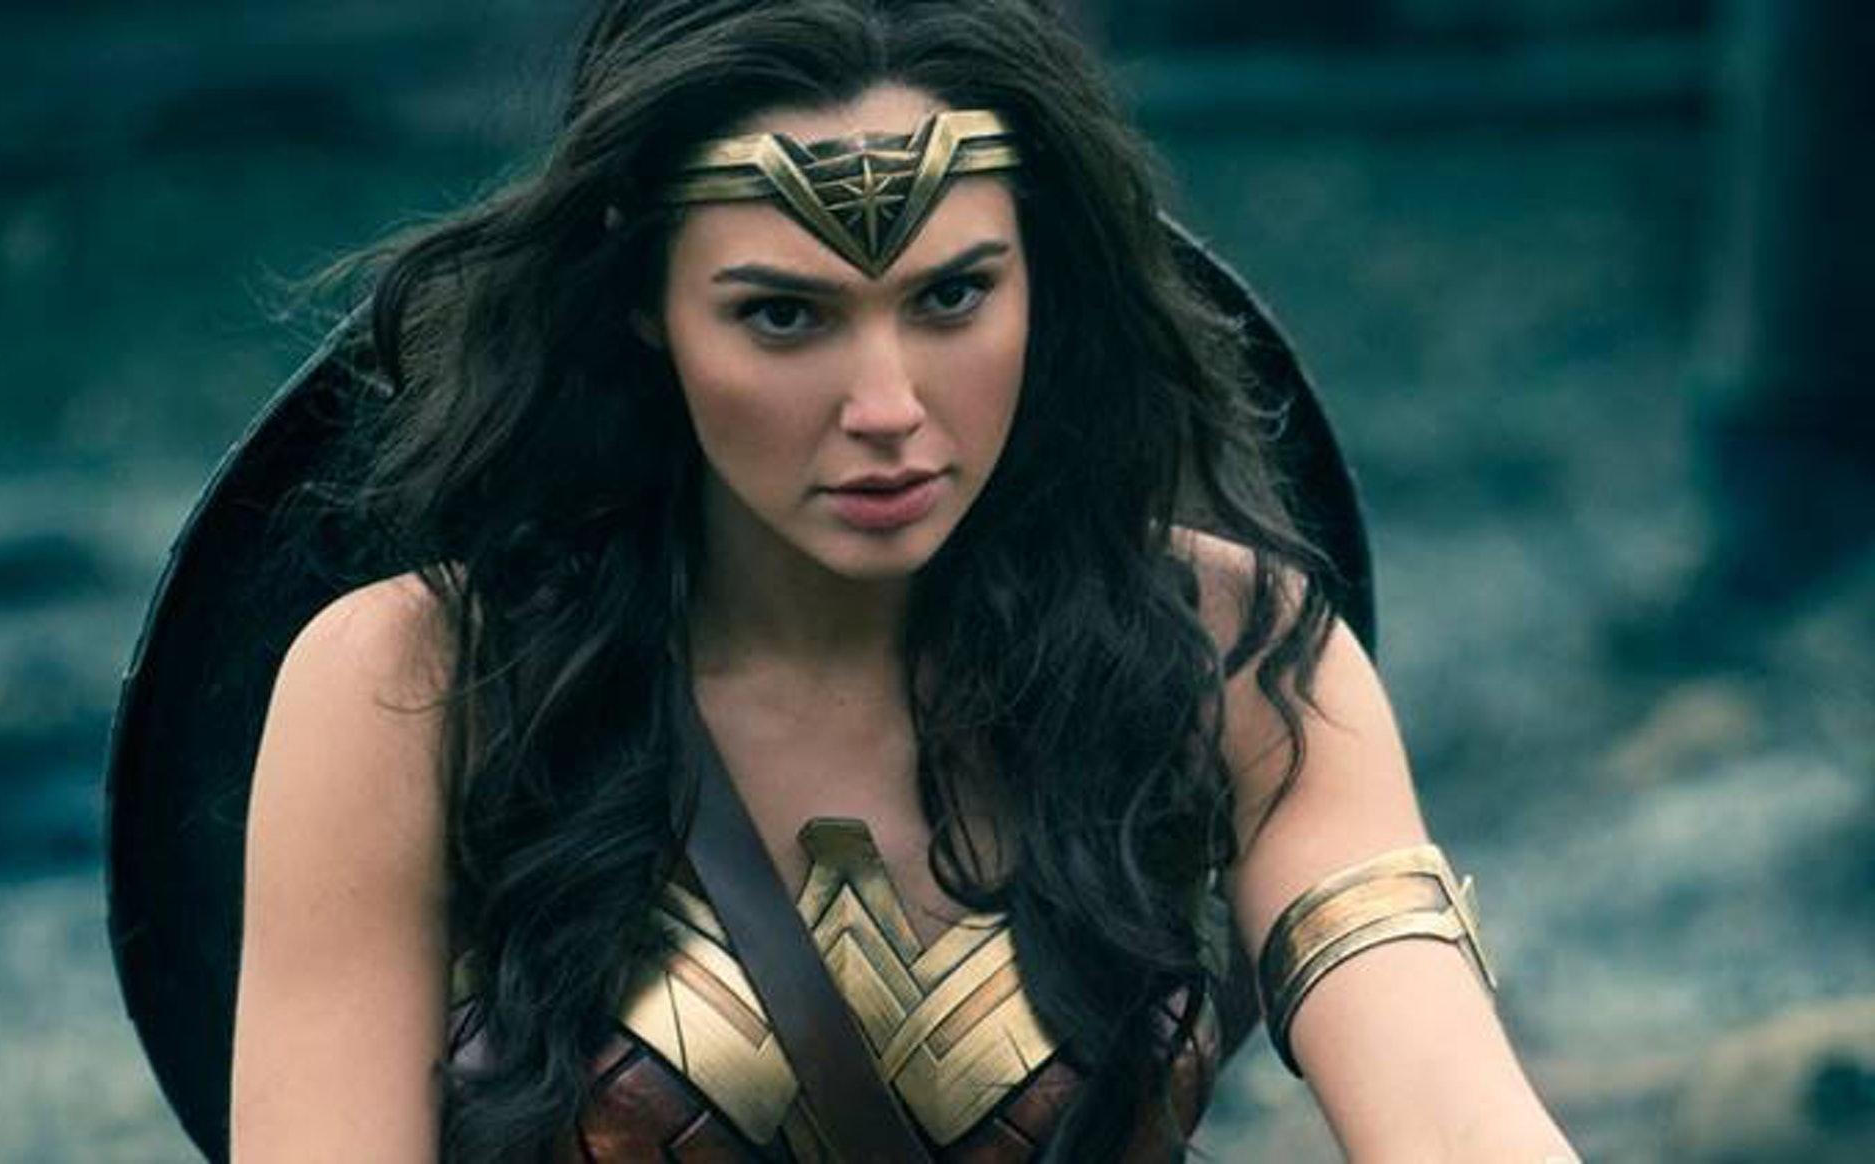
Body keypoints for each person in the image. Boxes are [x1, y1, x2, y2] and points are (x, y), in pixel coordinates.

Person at [225, 1, 1578, 1160]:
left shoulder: (1235, 650)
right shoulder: (415, 687)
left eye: (951, 298)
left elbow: (1453, 1115)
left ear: (1042, 276)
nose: (887, 407)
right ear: (645, 304)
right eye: (783, 314)